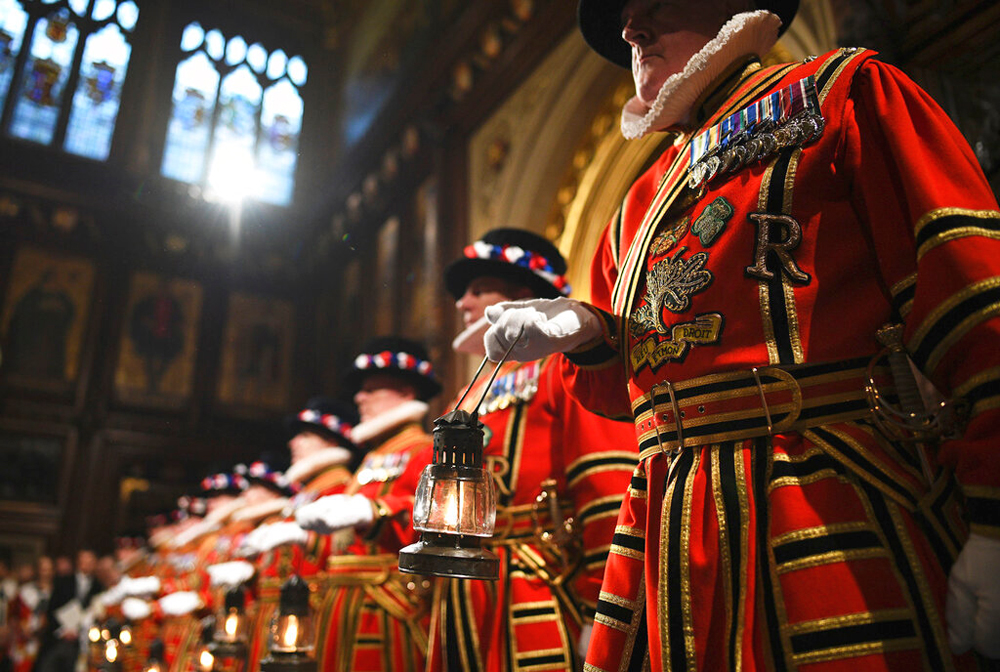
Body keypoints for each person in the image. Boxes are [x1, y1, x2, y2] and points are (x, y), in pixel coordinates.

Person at [484, 0, 1000, 669]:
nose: (629, 30)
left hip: (824, 502)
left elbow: (968, 293)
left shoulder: (845, 93)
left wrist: (995, 513)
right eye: (624, 18)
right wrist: (591, 335)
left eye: (653, 5)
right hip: (666, 533)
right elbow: (633, 396)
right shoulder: (636, 204)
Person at [425, 228, 638, 671]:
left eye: (478, 290)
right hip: (466, 596)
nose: (462, 304)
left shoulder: (564, 366)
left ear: (522, 294)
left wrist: (601, 610)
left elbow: (607, 485)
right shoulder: (465, 393)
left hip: (543, 590)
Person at [295, 337, 440, 671]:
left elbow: (430, 521)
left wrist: (376, 512)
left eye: (372, 389)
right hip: (344, 603)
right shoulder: (372, 459)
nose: (359, 398)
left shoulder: (422, 450)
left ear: (406, 393)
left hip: (385, 606)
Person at [36, 550, 103, 672]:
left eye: (90, 561)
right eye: (83, 560)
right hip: (57, 638)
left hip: (81, 641)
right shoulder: (63, 581)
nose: (86, 564)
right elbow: (51, 609)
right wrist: (62, 631)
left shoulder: (98, 586)